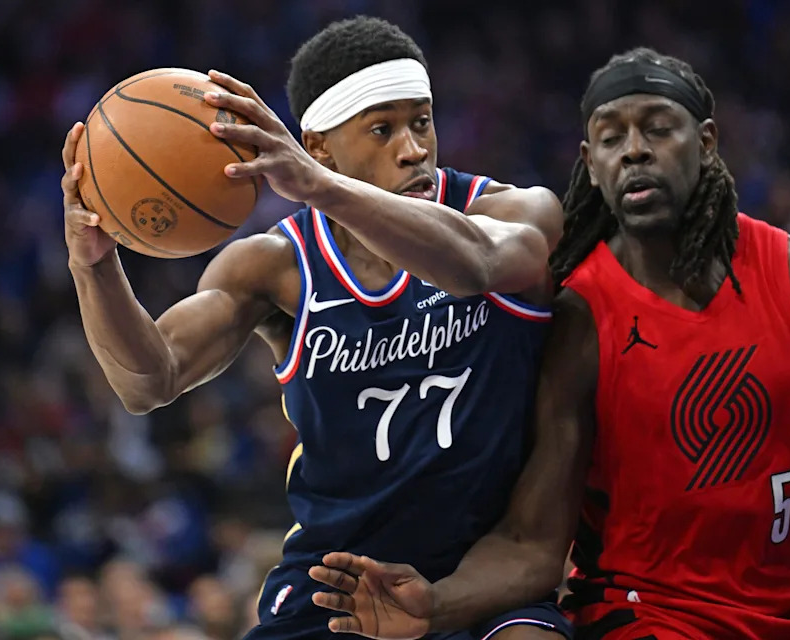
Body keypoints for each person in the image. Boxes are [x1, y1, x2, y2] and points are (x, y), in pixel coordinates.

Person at [310, 47, 790, 640]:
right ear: (591, 166)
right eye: (612, 139)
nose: (635, 150)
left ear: (708, 142)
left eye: (658, 129)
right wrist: (432, 605)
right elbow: (534, 546)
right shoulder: (578, 317)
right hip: (646, 617)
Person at [60, 15, 571, 640]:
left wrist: (320, 186)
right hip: (333, 582)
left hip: (485, 575)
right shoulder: (273, 265)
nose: (412, 147)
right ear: (321, 144)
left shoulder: (512, 210)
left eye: (421, 121)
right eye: (382, 130)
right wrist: (95, 266)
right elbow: (149, 380)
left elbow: (479, 265)